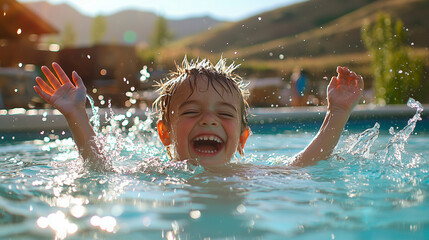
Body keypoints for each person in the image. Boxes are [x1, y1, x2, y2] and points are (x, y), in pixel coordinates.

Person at [33, 57, 363, 170]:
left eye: (224, 113)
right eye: (192, 111)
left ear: (243, 138)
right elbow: (101, 172)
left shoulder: (248, 174)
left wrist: (337, 112)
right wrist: (77, 115)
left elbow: (305, 165)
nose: (209, 120)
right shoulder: (157, 174)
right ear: (165, 133)